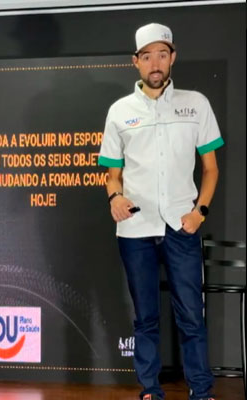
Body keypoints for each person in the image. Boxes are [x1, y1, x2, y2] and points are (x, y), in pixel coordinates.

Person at [98, 23, 223, 400]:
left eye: (163, 54)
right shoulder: (120, 111)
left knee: (191, 316)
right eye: (147, 56)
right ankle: (150, 389)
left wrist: (200, 211)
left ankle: (201, 392)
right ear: (135, 62)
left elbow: (211, 168)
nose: (156, 63)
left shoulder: (196, 103)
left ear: (173, 58)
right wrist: (114, 198)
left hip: (181, 227)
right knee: (146, 318)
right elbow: (112, 175)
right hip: (136, 229)